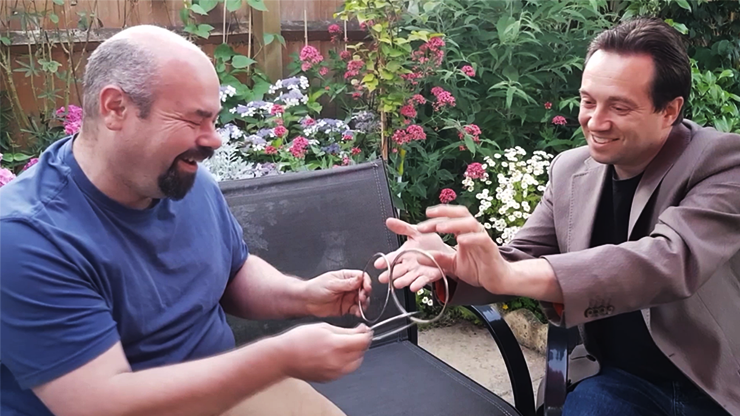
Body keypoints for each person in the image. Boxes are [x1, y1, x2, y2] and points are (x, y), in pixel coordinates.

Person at [0, 25, 374, 416]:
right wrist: (277, 359)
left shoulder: (179, 180)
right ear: (115, 108)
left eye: (213, 121)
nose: (213, 140)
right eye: (195, 121)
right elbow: (100, 404)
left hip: (224, 391)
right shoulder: (26, 237)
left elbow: (233, 272)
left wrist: (302, 295)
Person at [378, 17, 740, 415]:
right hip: (621, 381)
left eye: (619, 107)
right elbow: (520, 258)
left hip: (714, 386)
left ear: (670, 110)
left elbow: (668, 261)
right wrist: (451, 263)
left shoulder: (722, 163)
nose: (595, 122)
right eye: (588, 101)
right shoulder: (570, 170)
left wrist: (507, 274)